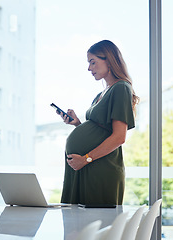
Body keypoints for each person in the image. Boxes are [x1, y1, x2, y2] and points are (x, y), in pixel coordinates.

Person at [58, 40, 139, 205]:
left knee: (95, 227)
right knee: (78, 227)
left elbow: (119, 137)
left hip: (99, 169)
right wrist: (77, 125)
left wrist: (85, 159)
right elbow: (99, 133)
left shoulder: (121, 88)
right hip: (84, 167)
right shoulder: (102, 93)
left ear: (108, 60)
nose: (89, 68)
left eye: (93, 62)